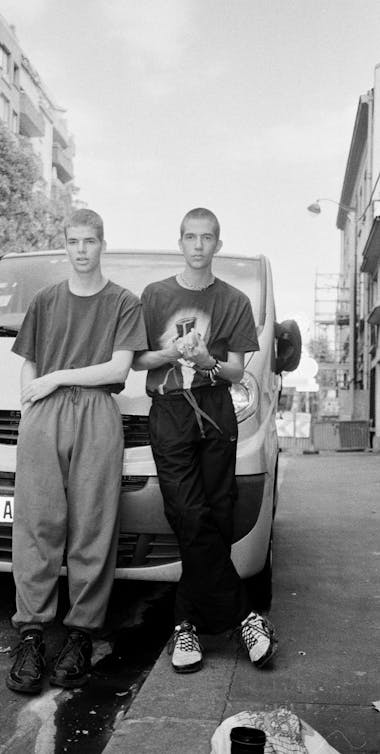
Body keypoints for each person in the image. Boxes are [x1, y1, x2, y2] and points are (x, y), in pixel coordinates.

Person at [7, 208, 148, 694]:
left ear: (101, 243)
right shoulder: (45, 300)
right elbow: (28, 363)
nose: (81, 250)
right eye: (73, 241)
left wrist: (56, 377)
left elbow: (116, 370)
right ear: (64, 245)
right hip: (44, 418)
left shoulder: (123, 303)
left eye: (89, 241)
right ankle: (30, 634)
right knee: (37, 523)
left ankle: (81, 635)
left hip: (96, 415)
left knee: (92, 525)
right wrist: (31, 409)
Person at [133, 207, 277, 674]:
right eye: (191, 237)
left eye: (207, 237)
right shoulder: (155, 295)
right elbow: (138, 362)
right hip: (170, 411)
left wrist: (207, 360)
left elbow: (237, 368)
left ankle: (186, 625)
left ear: (217, 243)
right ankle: (244, 616)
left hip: (216, 409)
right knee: (188, 512)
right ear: (180, 242)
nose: (198, 245)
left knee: (215, 514)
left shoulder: (234, 300)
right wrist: (173, 352)